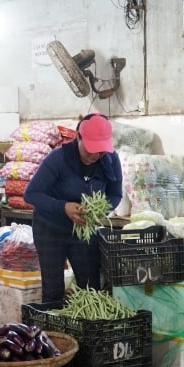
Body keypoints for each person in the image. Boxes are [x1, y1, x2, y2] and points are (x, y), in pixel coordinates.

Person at [23, 113, 122, 303]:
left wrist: (101, 210)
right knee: (53, 291)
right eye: (91, 149)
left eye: (100, 151)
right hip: (50, 229)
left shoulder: (110, 160)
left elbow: (115, 194)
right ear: (79, 137)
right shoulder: (58, 159)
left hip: (84, 229)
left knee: (91, 288)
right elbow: (32, 194)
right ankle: (55, 331)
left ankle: (86, 329)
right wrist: (63, 207)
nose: (95, 155)